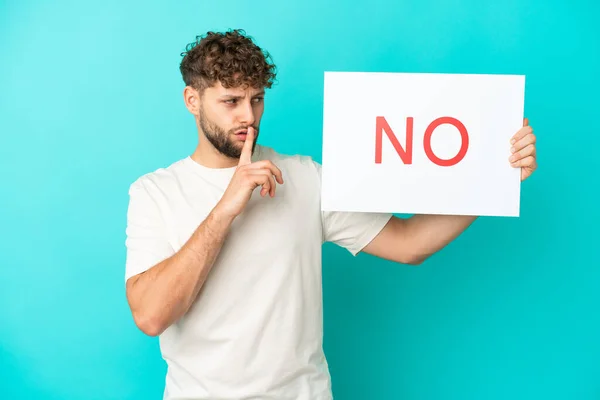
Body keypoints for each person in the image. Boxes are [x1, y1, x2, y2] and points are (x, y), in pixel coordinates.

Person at [124, 29, 538, 400]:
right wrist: (226, 208)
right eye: (230, 102)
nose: (248, 117)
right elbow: (151, 315)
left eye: (257, 99)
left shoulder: (305, 178)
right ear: (192, 101)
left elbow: (410, 243)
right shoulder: (154, 193)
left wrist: (494, 179)